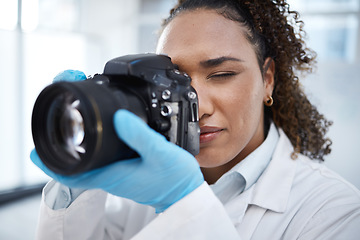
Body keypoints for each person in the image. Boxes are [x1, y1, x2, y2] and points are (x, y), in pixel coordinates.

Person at [31, 0, 360, 239]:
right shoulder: (139, 191)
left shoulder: (337, 212)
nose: (197, 107)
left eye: (221, 74)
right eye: (175, 81)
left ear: (268, 78)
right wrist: (73, 189)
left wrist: (183, 202)